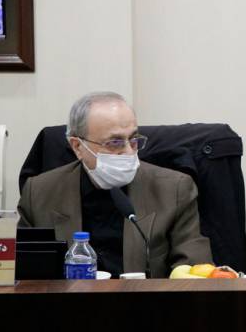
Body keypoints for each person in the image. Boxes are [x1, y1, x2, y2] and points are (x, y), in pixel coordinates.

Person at [17, 92, 213, 278]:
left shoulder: (174, 189)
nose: (128, 151)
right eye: (114, 142)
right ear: (78, 146)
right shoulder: (39, 192)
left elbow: (196, 270)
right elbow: (21, 271)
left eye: (133, 140)